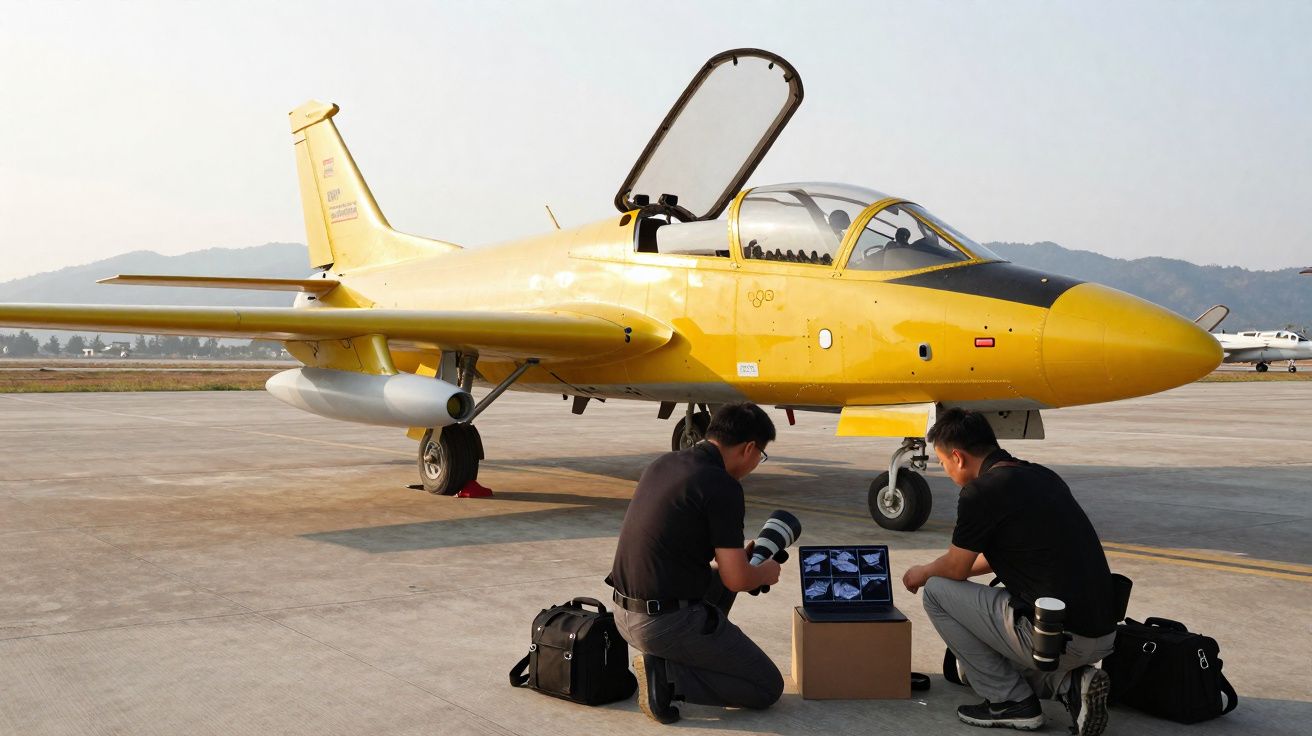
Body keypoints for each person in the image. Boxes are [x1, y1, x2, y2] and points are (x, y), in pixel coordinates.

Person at [902, 408, 1116, 736]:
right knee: (972, 660)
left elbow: (956, 568)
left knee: (936, 592)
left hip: (1055, 637)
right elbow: (998, 554)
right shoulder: (1040, 476)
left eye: (942, 463)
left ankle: (1010, 702)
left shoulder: (981, 492)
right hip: (1102, 632)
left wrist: (922, 572)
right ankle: (1071, 683)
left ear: (958, 457)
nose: (944, 471)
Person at [608, 403, 784, 724]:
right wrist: (764, 573)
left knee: (721, 579)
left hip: (622, 615)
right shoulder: (722, 485)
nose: (758, 462)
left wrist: (741, 563)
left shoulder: (664, 463)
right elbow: (737, 580)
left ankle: (678, 658)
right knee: (766, 687)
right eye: (762, 455)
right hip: (661, 624)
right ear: (748, 448)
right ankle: (668, 677)